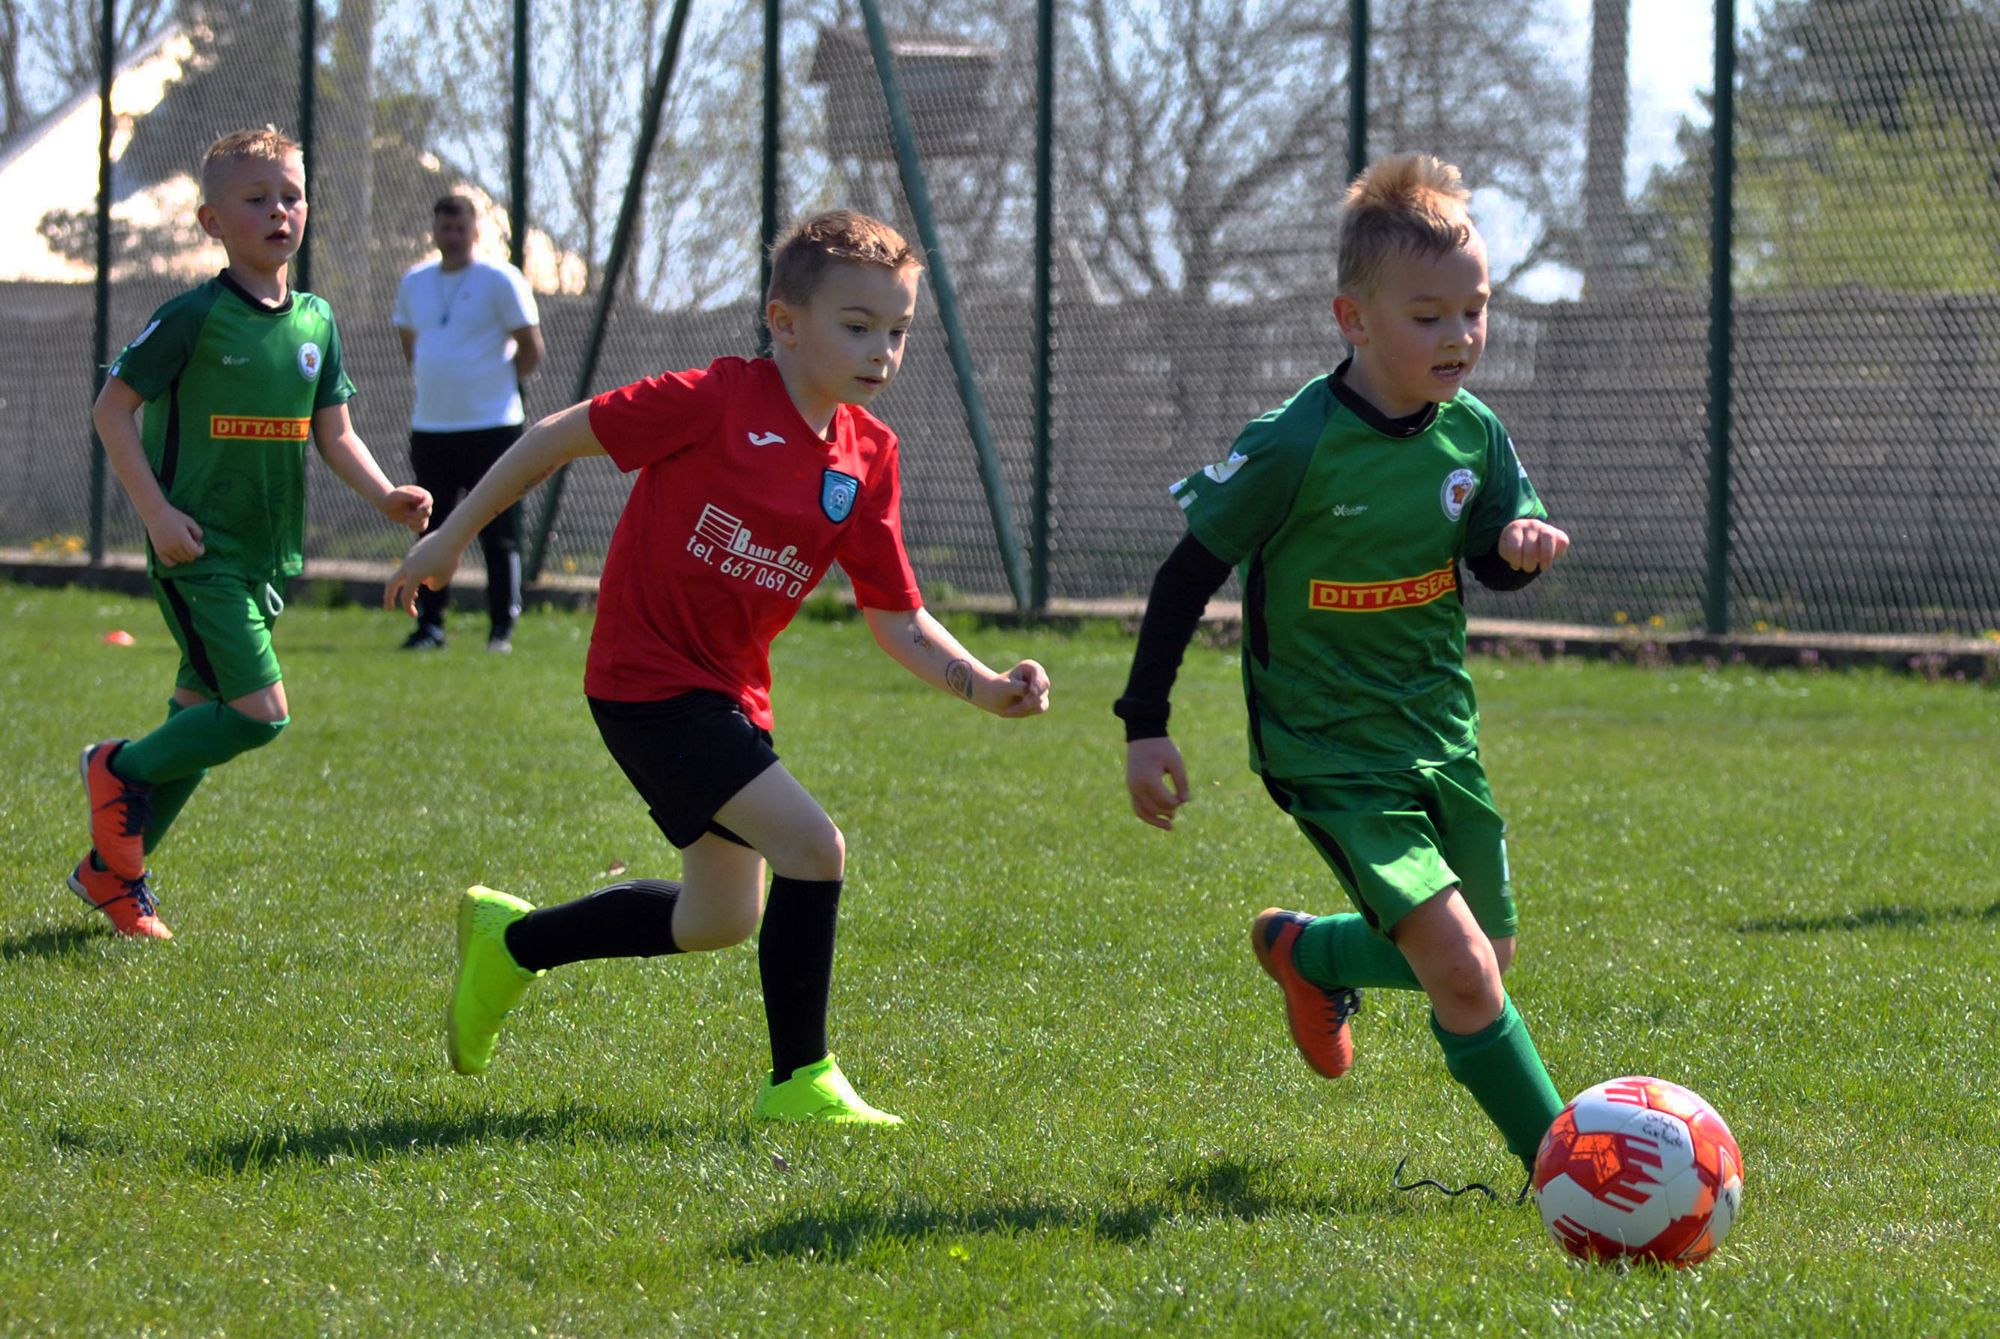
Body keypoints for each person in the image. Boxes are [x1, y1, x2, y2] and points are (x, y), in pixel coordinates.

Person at [385, 210, 1050, 1124]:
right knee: (815, 848)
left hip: (731, 694)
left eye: (898, 330)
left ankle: (515, 942)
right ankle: (801, 1083)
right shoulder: (713, 399)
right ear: (784, 322)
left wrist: (987, 689)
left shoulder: (869, 456)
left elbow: (897, 620)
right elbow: (552, 436)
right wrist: (450, 539)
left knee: (720, 919)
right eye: (857, 326)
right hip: (644, 681)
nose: (882, 350)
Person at [1116, 154, 1572, 1183]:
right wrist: (1143, 720)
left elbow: (1490, 550)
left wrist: (1515, 550)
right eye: (1428, 316)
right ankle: (1569, 1174)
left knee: (1483, 966)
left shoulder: (1476, 433)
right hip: (1326, 744)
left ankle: (1307, 953)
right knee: (1460, 973)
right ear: (1351, 317)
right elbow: (1187, 572)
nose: (1458, 335)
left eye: (1474, 310)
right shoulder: (1295, 443)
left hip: (1436, 732)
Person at [77, 127, 432, 940]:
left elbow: (334, 433)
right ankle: (116, 767)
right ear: (211, 222)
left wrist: (387, 497)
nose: (280, 210)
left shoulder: (315, 321)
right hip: (199, 552)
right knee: (260, 713)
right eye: (257, 198)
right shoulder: (193, 318)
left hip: (270, 555)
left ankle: (110, 875)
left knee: (198, 716)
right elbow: (112, 410)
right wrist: (157, 515)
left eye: (292, 196)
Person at [391, 194, 544, 652]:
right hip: (432, 427)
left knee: (498, 531)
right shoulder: (415, 282)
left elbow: (531, 348)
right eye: (445, 228)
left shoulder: (500, 279)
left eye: (461, 229)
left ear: (475, 232)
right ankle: (429, 626)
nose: (453, 237)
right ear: (434, 232)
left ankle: (501, 629)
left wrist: (492, 386)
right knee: (431, 528)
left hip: (493, 427)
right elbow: (409, 342)